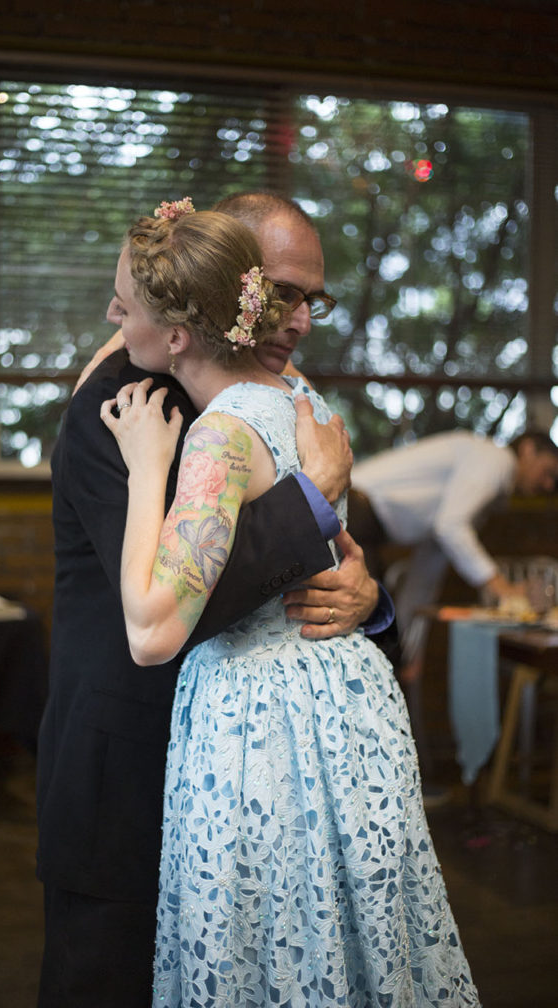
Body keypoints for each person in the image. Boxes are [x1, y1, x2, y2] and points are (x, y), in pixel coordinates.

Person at [101, 201, 479, 1006]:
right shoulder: (306, 407)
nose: (110, 321)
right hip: (347, 706)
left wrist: (146, 467)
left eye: (122, 307)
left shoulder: (212, 434)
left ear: (177, 333)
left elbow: (152, 628)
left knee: (269, 952)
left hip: (262, 724)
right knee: (354, 938)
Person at [36, 195, 392, 1006]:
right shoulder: (121, 407)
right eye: (278, 292)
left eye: (309, 299)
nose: (295, 320)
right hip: (127, 782)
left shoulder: (292, 403)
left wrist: (368, 597)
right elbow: (183, 603)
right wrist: (308, 503)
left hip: (265, 794)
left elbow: (338, 562)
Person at [350, 429, 558, 682]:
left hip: (362, 521)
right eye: (548, 472)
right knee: (374, 634)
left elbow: (425, 576)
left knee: (385, 647)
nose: (548, 485)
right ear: (527, 450)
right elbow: (451, 527)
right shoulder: (496, 459)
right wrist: (503, 588)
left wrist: (408, 652)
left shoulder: (474, 495)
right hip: (352, 510)